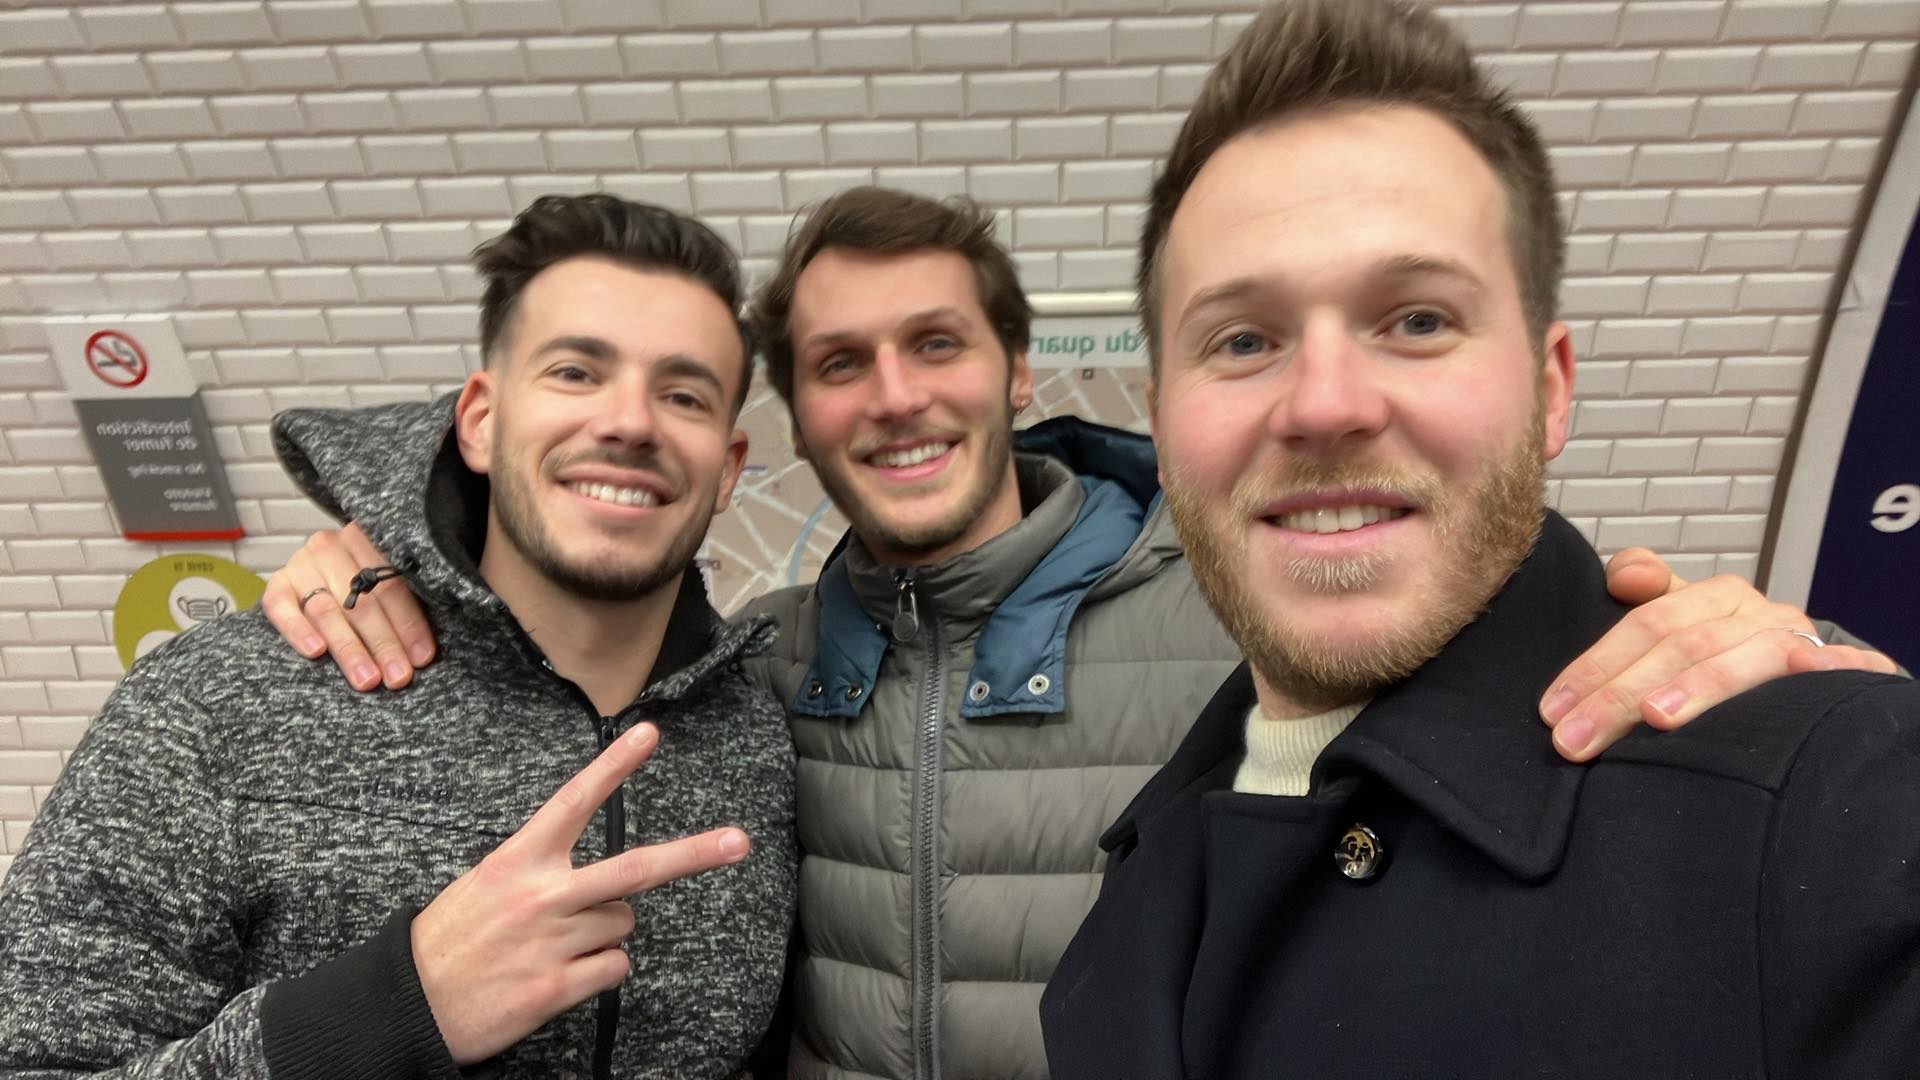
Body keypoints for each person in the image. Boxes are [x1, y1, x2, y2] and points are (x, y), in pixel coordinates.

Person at [256, 189, 1888, 1077]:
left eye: (938, 344)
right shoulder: (757, 667)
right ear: (794, 423)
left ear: (1016, 371)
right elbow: (566, 627)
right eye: (839, 364)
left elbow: (1518, 676)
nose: (896, 396)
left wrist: (1786, 650)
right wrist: (385, 561)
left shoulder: (1248, 621)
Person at [1038, 2, 1920, 1075]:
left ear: (1551, 389)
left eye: (1418, 319)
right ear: (1164, 423)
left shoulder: (1836, 810)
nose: (1324, 403)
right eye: (1242, 339)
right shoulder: (1152, 851)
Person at [0, 194, 796, 1079]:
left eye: (682, 394)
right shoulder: (219, 704)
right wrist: (392, 1012)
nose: (631, 422)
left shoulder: (758, 734)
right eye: (576, 372)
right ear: (480, 421)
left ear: (728, 468)